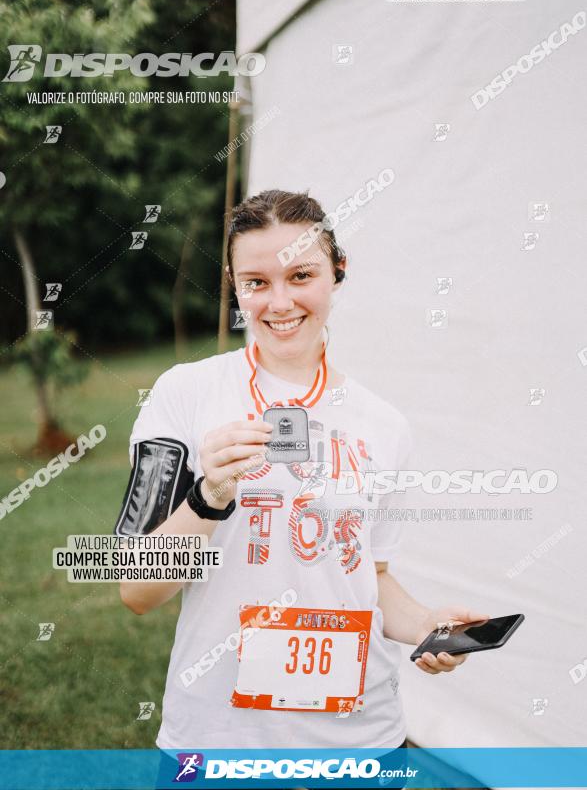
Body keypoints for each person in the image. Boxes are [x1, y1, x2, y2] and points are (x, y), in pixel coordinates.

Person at [116, 189, 489, 787]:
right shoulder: (184, 394)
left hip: (361, 740)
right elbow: (135, 590)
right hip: (218, 742)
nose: (281, 301)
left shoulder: (383, 424)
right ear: (235, 287)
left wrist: (424, 626)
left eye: (301, 275)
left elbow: (371, 573)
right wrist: (208, 495)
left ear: (337, 273)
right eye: (256, 282)